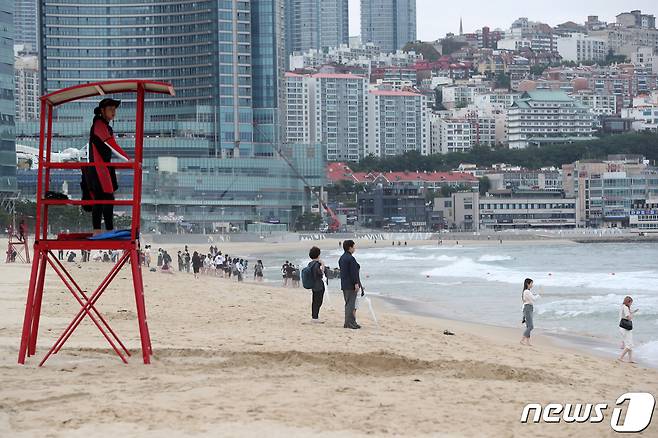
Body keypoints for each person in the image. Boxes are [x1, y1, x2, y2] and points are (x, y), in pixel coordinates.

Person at [82, 98, 130, 235]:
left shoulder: (106, 126)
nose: (113, 112)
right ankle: (98, 230)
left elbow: (112, 143)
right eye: (110, 109)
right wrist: (128, 160)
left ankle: (108, 229)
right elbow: (111, 144)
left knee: (107, 198)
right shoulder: (99, 124)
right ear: (102, 111)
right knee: (102, 198)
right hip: (98, 167)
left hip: (104, 166)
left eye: (114, 109)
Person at [339, 240, 361, 329]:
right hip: (350, 285)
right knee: (350, 305)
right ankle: (349, 323)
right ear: (350, 247)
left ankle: (352, 322)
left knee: (349, 304)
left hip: (344, 284)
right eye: (354, 247)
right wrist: (356, 283)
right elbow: (353, 272)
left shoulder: (342, 258)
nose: (354, 248)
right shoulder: (350, 258)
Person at [308, 246, 326, 322]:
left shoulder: (310, 263)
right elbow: (321, 273)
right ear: (318, 255)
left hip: (313, 284)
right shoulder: (317, 264)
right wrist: (323, 265)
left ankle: (314, 317)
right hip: (318, 284)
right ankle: (315, 317)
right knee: (318, 301)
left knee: (315, 300)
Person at [618, 296, 638, 364]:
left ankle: (630, 359)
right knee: (629, 345)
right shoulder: (626, 307)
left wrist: (632, 312)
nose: (631, 304)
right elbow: (628, 318)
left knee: (629, 344)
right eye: (631, 303)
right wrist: (633, 314)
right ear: (628, 302)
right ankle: (620, 357)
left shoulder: (622, 306)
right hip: (625, 328)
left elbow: (623, 316)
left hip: (622, 327)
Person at [520, 278, 540, 346]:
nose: (532, 285)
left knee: (528, 326)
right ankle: (522, 340)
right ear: (527, 284)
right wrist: (538, 295)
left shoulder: (527, 292)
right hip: (528, 308)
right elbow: (534, 299)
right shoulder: (526, 291)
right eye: (531, 283)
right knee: (531, 326)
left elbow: (530, 300)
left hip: (529, 308)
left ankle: (527, 342)